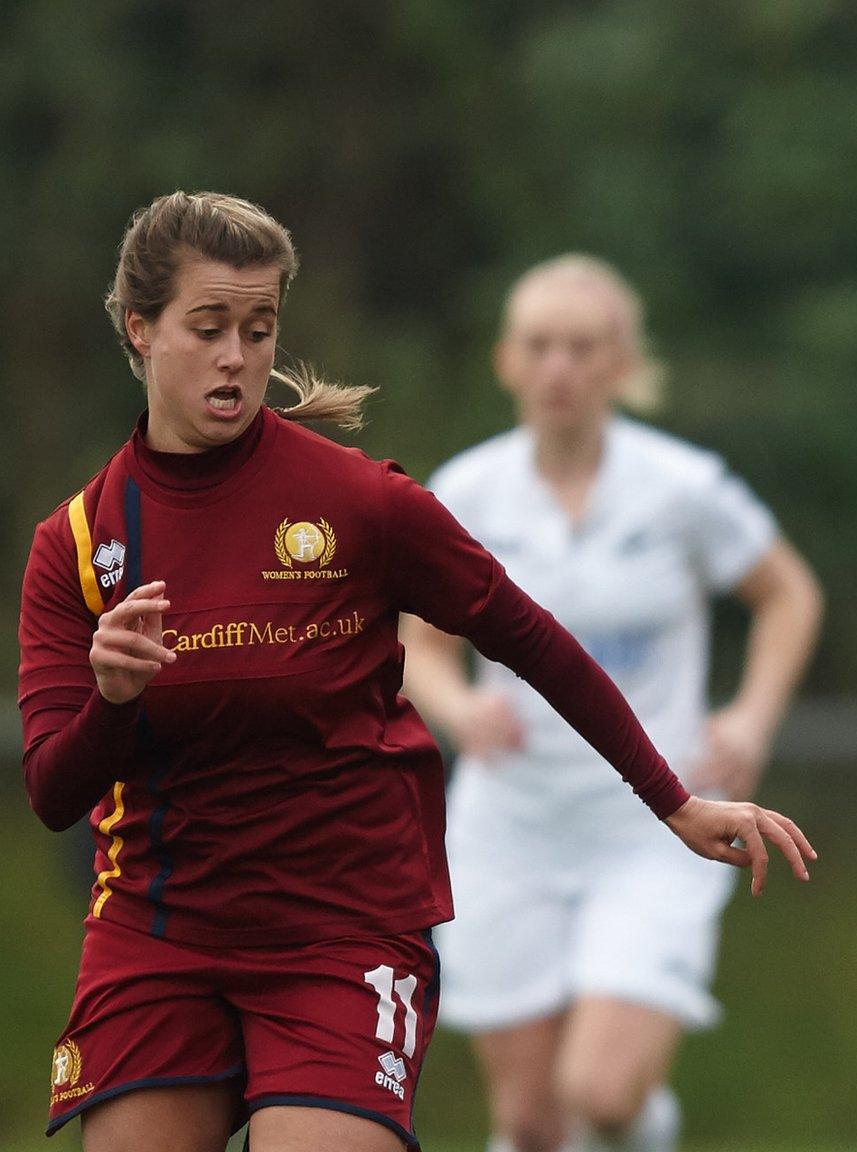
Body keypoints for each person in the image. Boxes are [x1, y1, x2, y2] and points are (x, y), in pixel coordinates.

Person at [17, 191, 815, 1152]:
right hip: (160, 934)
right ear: (142, 332)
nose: (238, 355)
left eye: (259, 327)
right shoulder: (76, 541)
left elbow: (536, 642)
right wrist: (111, 704)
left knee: (567, 1101)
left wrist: (673, 801)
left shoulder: (359, 502)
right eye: (210, 327)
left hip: (340, 931)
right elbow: (55, 792)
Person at [397, 254, 823, 1152]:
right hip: (509, 825)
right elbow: (412, 638)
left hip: (652, 829)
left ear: (622, 363)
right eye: (539, 346)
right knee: (529, 1121)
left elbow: (788, 594)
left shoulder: (683, 488)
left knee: (603, 1091)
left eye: (583, 347)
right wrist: (454, 708)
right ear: (507, 361)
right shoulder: (467, 492)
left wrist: (749, 717)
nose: (560, 367)